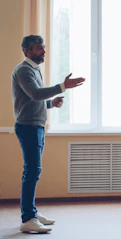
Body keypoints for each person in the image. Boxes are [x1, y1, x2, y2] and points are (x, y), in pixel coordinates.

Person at [12, 35, 85, 233]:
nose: (43, 51)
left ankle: (32, 213)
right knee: (32, 172)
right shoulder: (23, 70)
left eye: (43, 48)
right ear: (27, 50)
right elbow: (35, 94)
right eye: (38, 48)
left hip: (36, 126)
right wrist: (62, 86)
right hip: (28, 127)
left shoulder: (34, 69)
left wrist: (50, 104)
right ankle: (28, 218)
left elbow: (32, 101)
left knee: (34, 172)